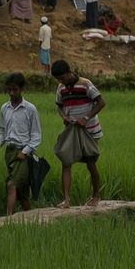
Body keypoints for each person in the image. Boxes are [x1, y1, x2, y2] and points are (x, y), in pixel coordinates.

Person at [52, 60, 105, 208]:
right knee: (66, 161)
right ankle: (66, 200)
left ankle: (95, 196)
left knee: (90, 163)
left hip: (89, 131)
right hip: (72, 131)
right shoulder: (61, 88)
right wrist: (64, 117)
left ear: (69, 72)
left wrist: (86, 118)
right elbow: (59, 107)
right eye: (58, 79)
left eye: (62, 78)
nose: (61, 81)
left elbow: (101, 102)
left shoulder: (85, 84)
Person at [0, 72, 42, 216]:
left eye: (15, 89)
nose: (11, 93)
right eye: (9, 90)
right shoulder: (4, 108)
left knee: (11, 185)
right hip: (9, 152)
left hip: (23, 155)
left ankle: (8, 219)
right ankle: (31, 217)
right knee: (22, 192)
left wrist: (25, 152)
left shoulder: (30, 109)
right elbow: (1, 130)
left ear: (22, 89)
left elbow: (36, 136)